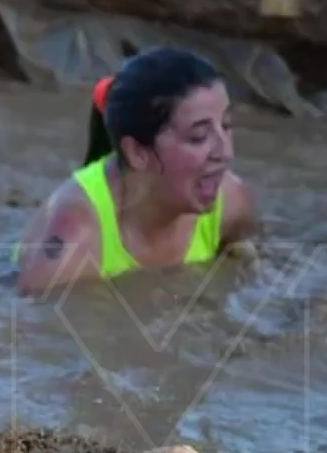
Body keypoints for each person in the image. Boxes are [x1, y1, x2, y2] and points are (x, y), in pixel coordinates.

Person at [14, 48, 258, 296]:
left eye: (226, 126)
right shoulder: (73, 243)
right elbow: (27, 323)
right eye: (198, 137)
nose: (225, 152)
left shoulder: (231, 203)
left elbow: (249, 265)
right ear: (137, 153)